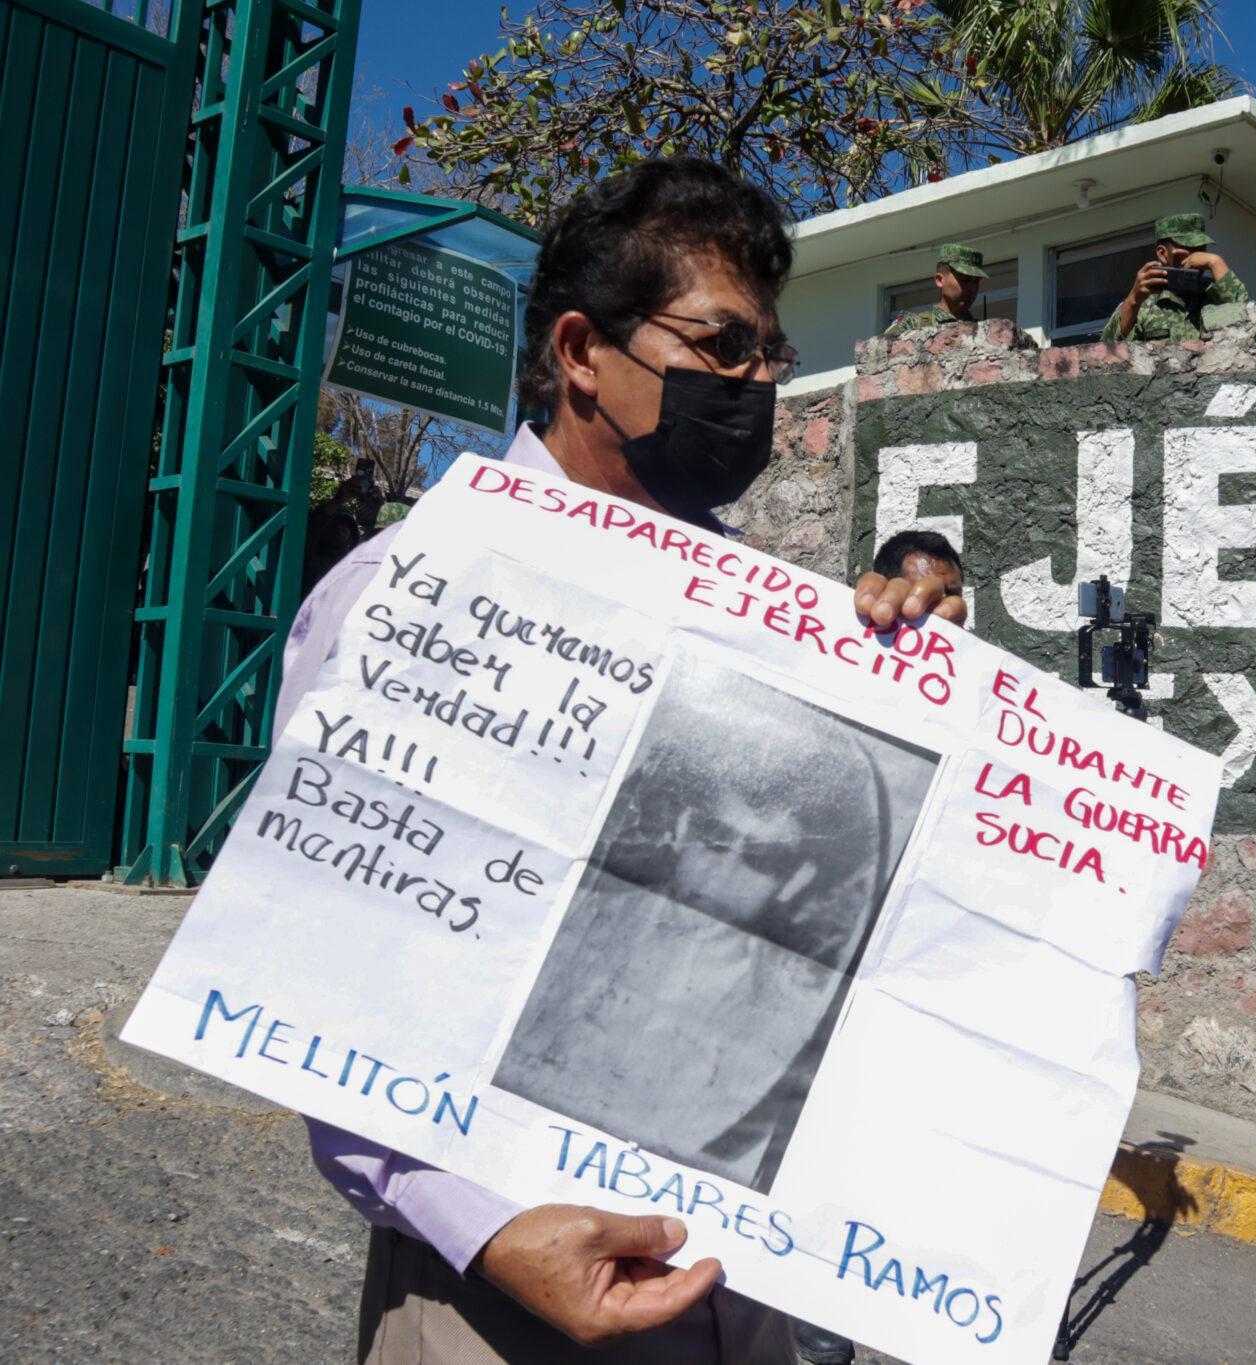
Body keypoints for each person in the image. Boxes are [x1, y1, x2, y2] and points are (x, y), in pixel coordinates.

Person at [278, 157, 965, 1365]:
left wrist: (915, 684)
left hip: (754, 1298)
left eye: (769, 354)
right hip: (508, 1295)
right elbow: (313, 987)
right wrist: (485, 1231)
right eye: (720, 344)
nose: (757, 383)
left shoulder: (784, 625)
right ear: (584, 351)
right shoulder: (411, 600)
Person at [792, 524, 969, 1365]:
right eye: (917, 590)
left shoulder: (981, 714)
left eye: (952, 595)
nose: (935, 610)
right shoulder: (834, 667)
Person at [1102, 213, 1250, 344]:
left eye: (1201, 251)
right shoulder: (1146, 306)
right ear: (1162, 254)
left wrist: (1216, 262)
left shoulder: (1217, 296)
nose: (1196, 259)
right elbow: (1106, 350)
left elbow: (1252, 323)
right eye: (1187, 251)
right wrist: (1134, 300)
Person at [881, 244, 989, 336]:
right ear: (940, 280)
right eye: (964, 280)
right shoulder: (911, 326)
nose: (971, 288)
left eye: (976, 281)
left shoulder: (984, 331)